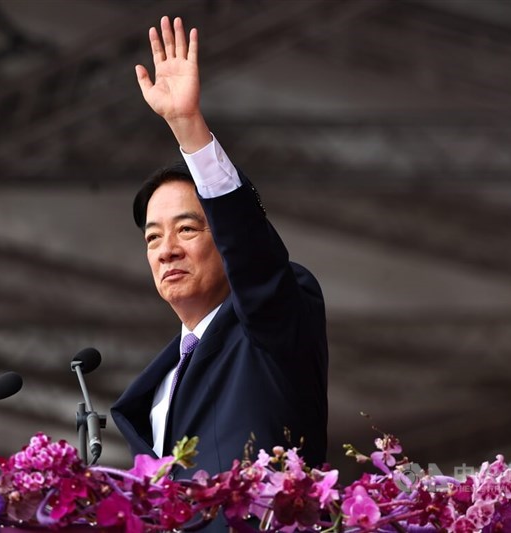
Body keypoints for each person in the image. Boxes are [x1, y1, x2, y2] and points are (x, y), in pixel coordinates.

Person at [111, 14, 328, 504]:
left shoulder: (272, 327)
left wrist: (188, 127)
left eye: (187, 229)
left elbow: (255, 254)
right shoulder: (153, 387)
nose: (166, 248)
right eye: (152, 238)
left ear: (224, 239)